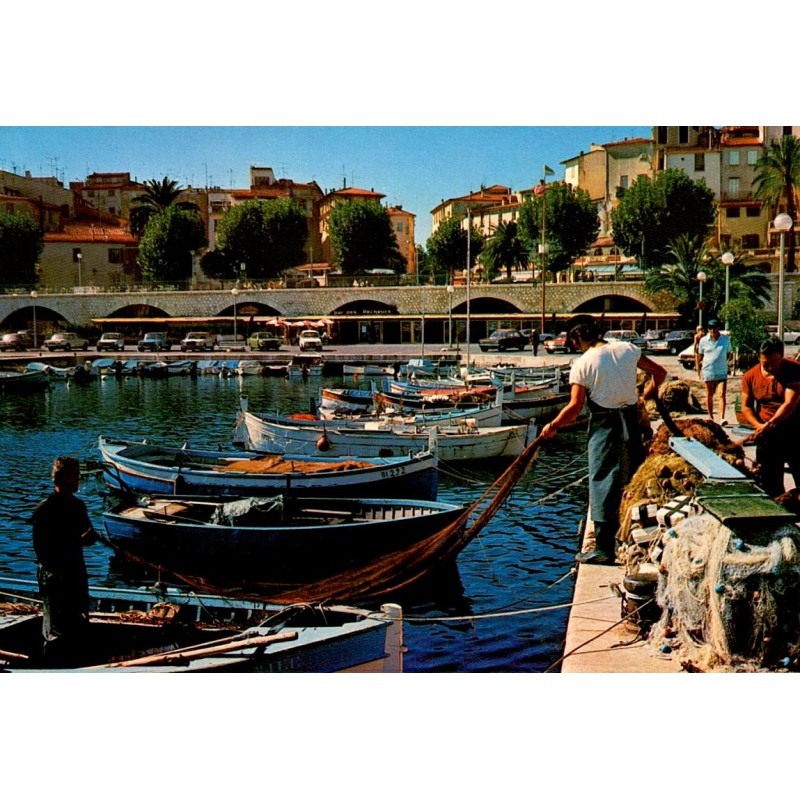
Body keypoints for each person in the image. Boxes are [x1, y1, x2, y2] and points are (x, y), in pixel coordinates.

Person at [540, 322, 666, 564]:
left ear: (577, 339)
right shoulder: (627, 348)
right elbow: (659, 374)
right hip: (630, 420)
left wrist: (553, 426)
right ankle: (629, 535)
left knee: (602, 481)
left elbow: (575, 408)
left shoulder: (583, 364)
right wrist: (643, 398)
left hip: (604, 425)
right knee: (630, 477)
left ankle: (603, 549)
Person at [31, 456, 98, 665]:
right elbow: (42, 550)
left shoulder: (78, 506)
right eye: (74, 476)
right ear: (60, 478)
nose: (78, 480)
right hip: (55, 576)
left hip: (75, 572)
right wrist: (75, 543)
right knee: (55, 631)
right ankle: (50, 667)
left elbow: (85, 535)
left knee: (78, 624)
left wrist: (88, 538)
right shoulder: (45, 510)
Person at [739, 337, 800, 497]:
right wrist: (758, 426)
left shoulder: (794, 370)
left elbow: (789, 404)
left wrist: (771, 424)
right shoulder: (750, 376)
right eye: (766, 364)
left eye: (775, 363)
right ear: (759, 358)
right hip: (768, 438)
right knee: (770, 484)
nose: (771, 367)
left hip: (795, 434)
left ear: (781, 356)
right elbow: (746, 406)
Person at [695, 319, 731, 424]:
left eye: (714, 328)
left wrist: (724, 362)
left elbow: (729, 353)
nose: (712, 331)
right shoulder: (703, 340)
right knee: (709, 394)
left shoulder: (725, 339)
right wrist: (699, 369)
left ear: (718, 328)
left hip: (722, 370)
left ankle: (722, 418)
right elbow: (700, 355)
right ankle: (711, 417)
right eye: (710, 328)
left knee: (721, 394)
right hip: (708, 370)